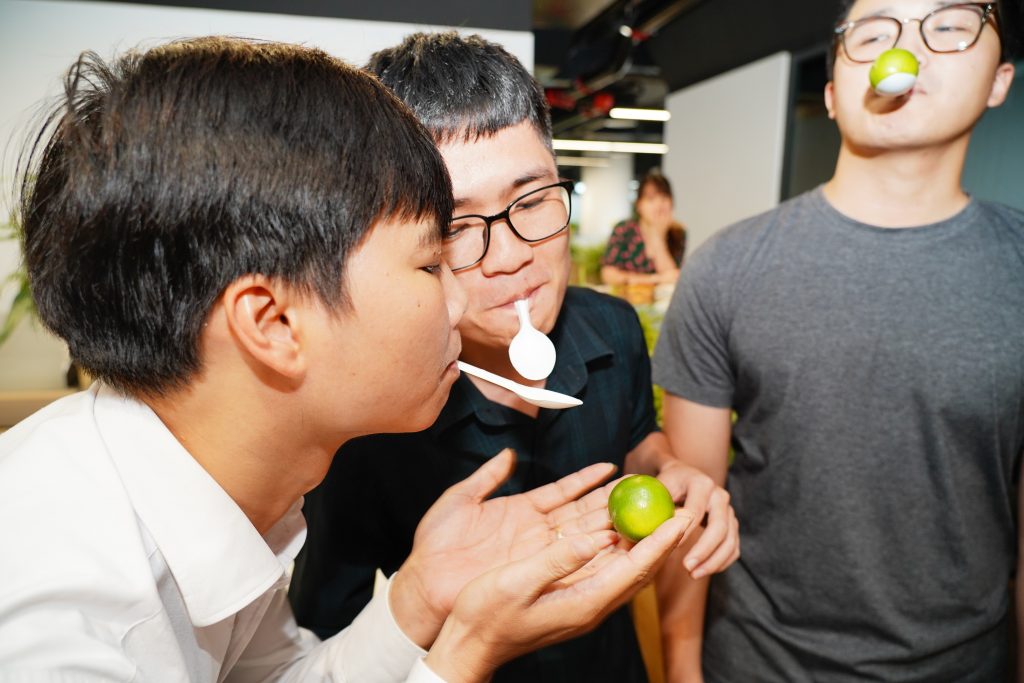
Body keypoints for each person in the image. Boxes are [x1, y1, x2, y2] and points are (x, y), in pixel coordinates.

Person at [0, 37, 702, 682]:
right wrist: (468, 649)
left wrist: (419, 594)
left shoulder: (233, 505)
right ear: (273, 322)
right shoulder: (56, 631)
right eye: (432, 260)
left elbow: (278, 677)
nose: (468, 295)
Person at [289, 32, 739, 682]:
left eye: (531, 202)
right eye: (455, 227)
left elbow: (637, 436)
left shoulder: (612, 328)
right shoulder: (366, 425)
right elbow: (329, 643)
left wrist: (670, 469)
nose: (510, 257)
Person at [651, 0, 1022, 680]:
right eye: (874, 33)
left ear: (1000, 80)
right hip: (756, 662)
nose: (907, 47)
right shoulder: (726, 268)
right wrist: (680, 667)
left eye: (948, 25)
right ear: (830, 94)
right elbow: (690, 506)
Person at [601, 171, 686, 286]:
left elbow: (672, 278)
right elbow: (609, 275)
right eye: (651, 199)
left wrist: (658, 237)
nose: (659, 205)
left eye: (664, 198)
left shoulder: (677, 233)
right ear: (639, 205)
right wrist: (655, 279)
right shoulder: (624, 230)